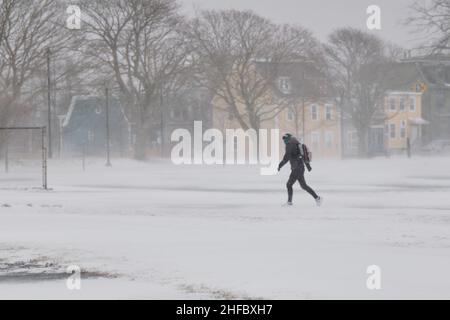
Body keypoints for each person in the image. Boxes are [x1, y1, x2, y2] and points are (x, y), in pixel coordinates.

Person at [278, 133, 322, 206]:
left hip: (296, 168)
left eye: (284, 139)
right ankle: (317, 198)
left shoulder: (290, 144)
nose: (284, 141)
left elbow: (286, 157)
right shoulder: (296, 143)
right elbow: (302, 155)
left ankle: (289, 202)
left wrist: (280, 165)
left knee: (289, 184)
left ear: (287, 139)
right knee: (303, 186)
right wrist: (308, 166)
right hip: (300, 168)